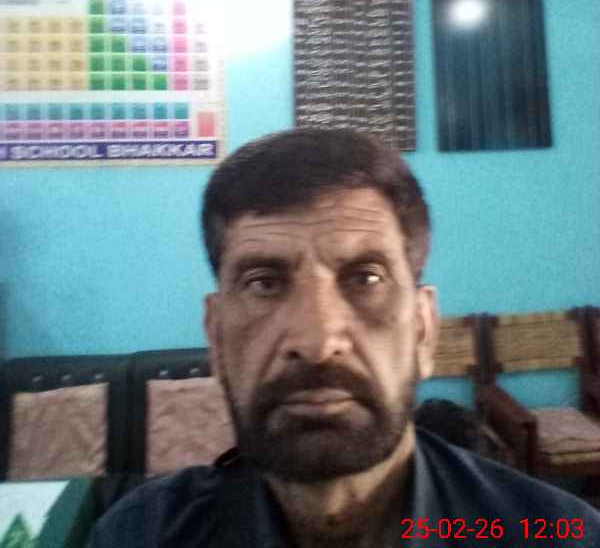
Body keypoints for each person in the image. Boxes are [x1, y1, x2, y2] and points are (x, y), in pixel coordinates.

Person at [89, 128, 600, 547]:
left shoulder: (555, 536)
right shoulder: (141, 535)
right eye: (264, 283)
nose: (317, 342)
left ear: (423, 330)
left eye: (365, 278)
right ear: (216, 338)